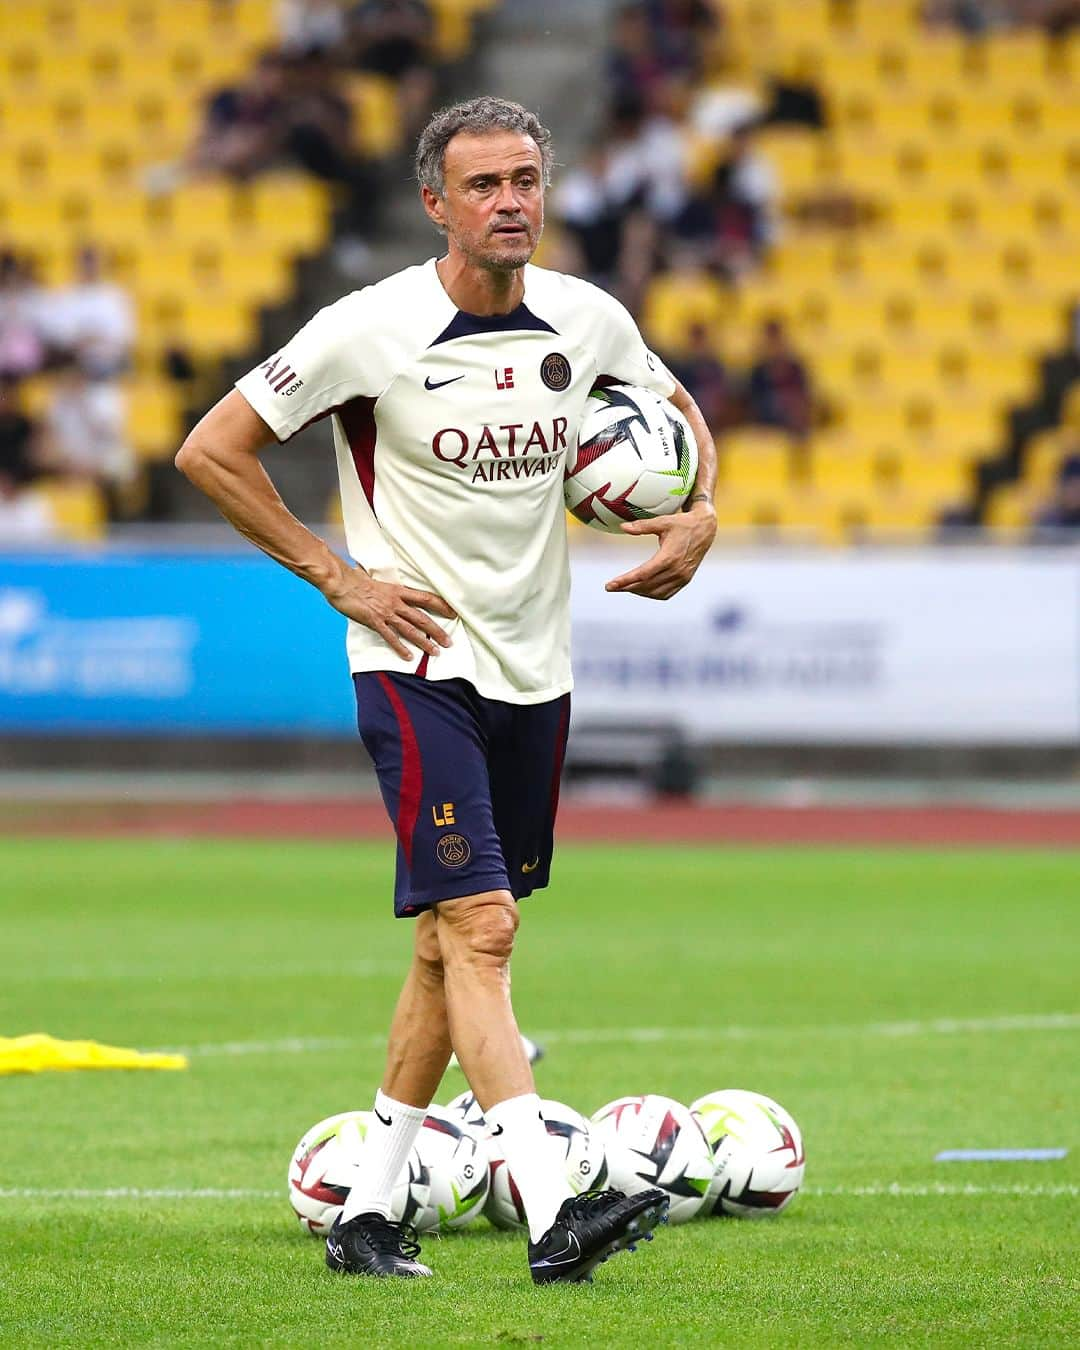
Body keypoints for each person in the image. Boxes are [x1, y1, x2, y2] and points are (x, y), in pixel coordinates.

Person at [175, 96, 717, 1284]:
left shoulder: (590, 317)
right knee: (484, 924)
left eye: (526, 178)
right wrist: (340, 578)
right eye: (484, 185)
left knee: (445, 945)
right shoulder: (367, 330)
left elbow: (678, 420)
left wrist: (701, 516)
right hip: (415, 663)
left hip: (537, 668)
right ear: (436, 204)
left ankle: (369, 1215)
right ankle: (551, 1209)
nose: (511, 200)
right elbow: (211, 450)